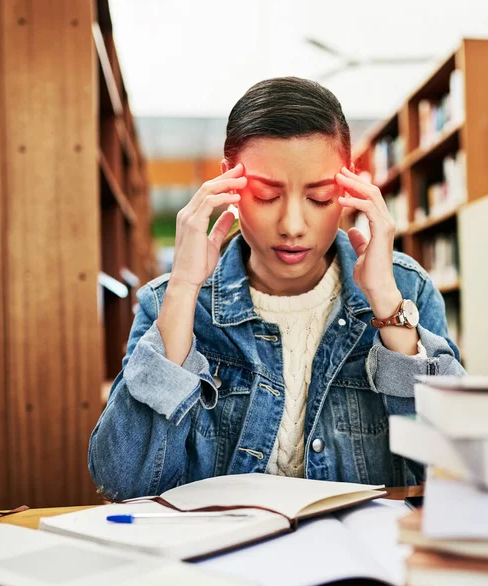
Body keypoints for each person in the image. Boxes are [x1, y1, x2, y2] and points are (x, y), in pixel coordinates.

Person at [88, 77, 465, 501]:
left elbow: (460, 470)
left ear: (350, 188)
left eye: (320, 198)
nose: (292, 226)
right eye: (267, 195)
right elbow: (122, 482)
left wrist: (387, 305)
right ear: (228, 183)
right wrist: (183, 291)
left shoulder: (405, 287)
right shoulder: (169, 300)